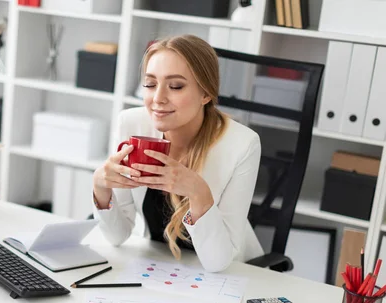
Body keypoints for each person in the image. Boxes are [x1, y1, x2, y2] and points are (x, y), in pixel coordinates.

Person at [92, 35, 263, 273]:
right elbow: (117, 236)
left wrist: (198, 192)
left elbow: (218, 263)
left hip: (225, 273)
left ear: (205, 94)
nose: (158, 99)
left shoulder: (243, 144)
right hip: (158, 265)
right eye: (151, 84)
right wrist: (101, 188)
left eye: (176, 86)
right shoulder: (132, 125)